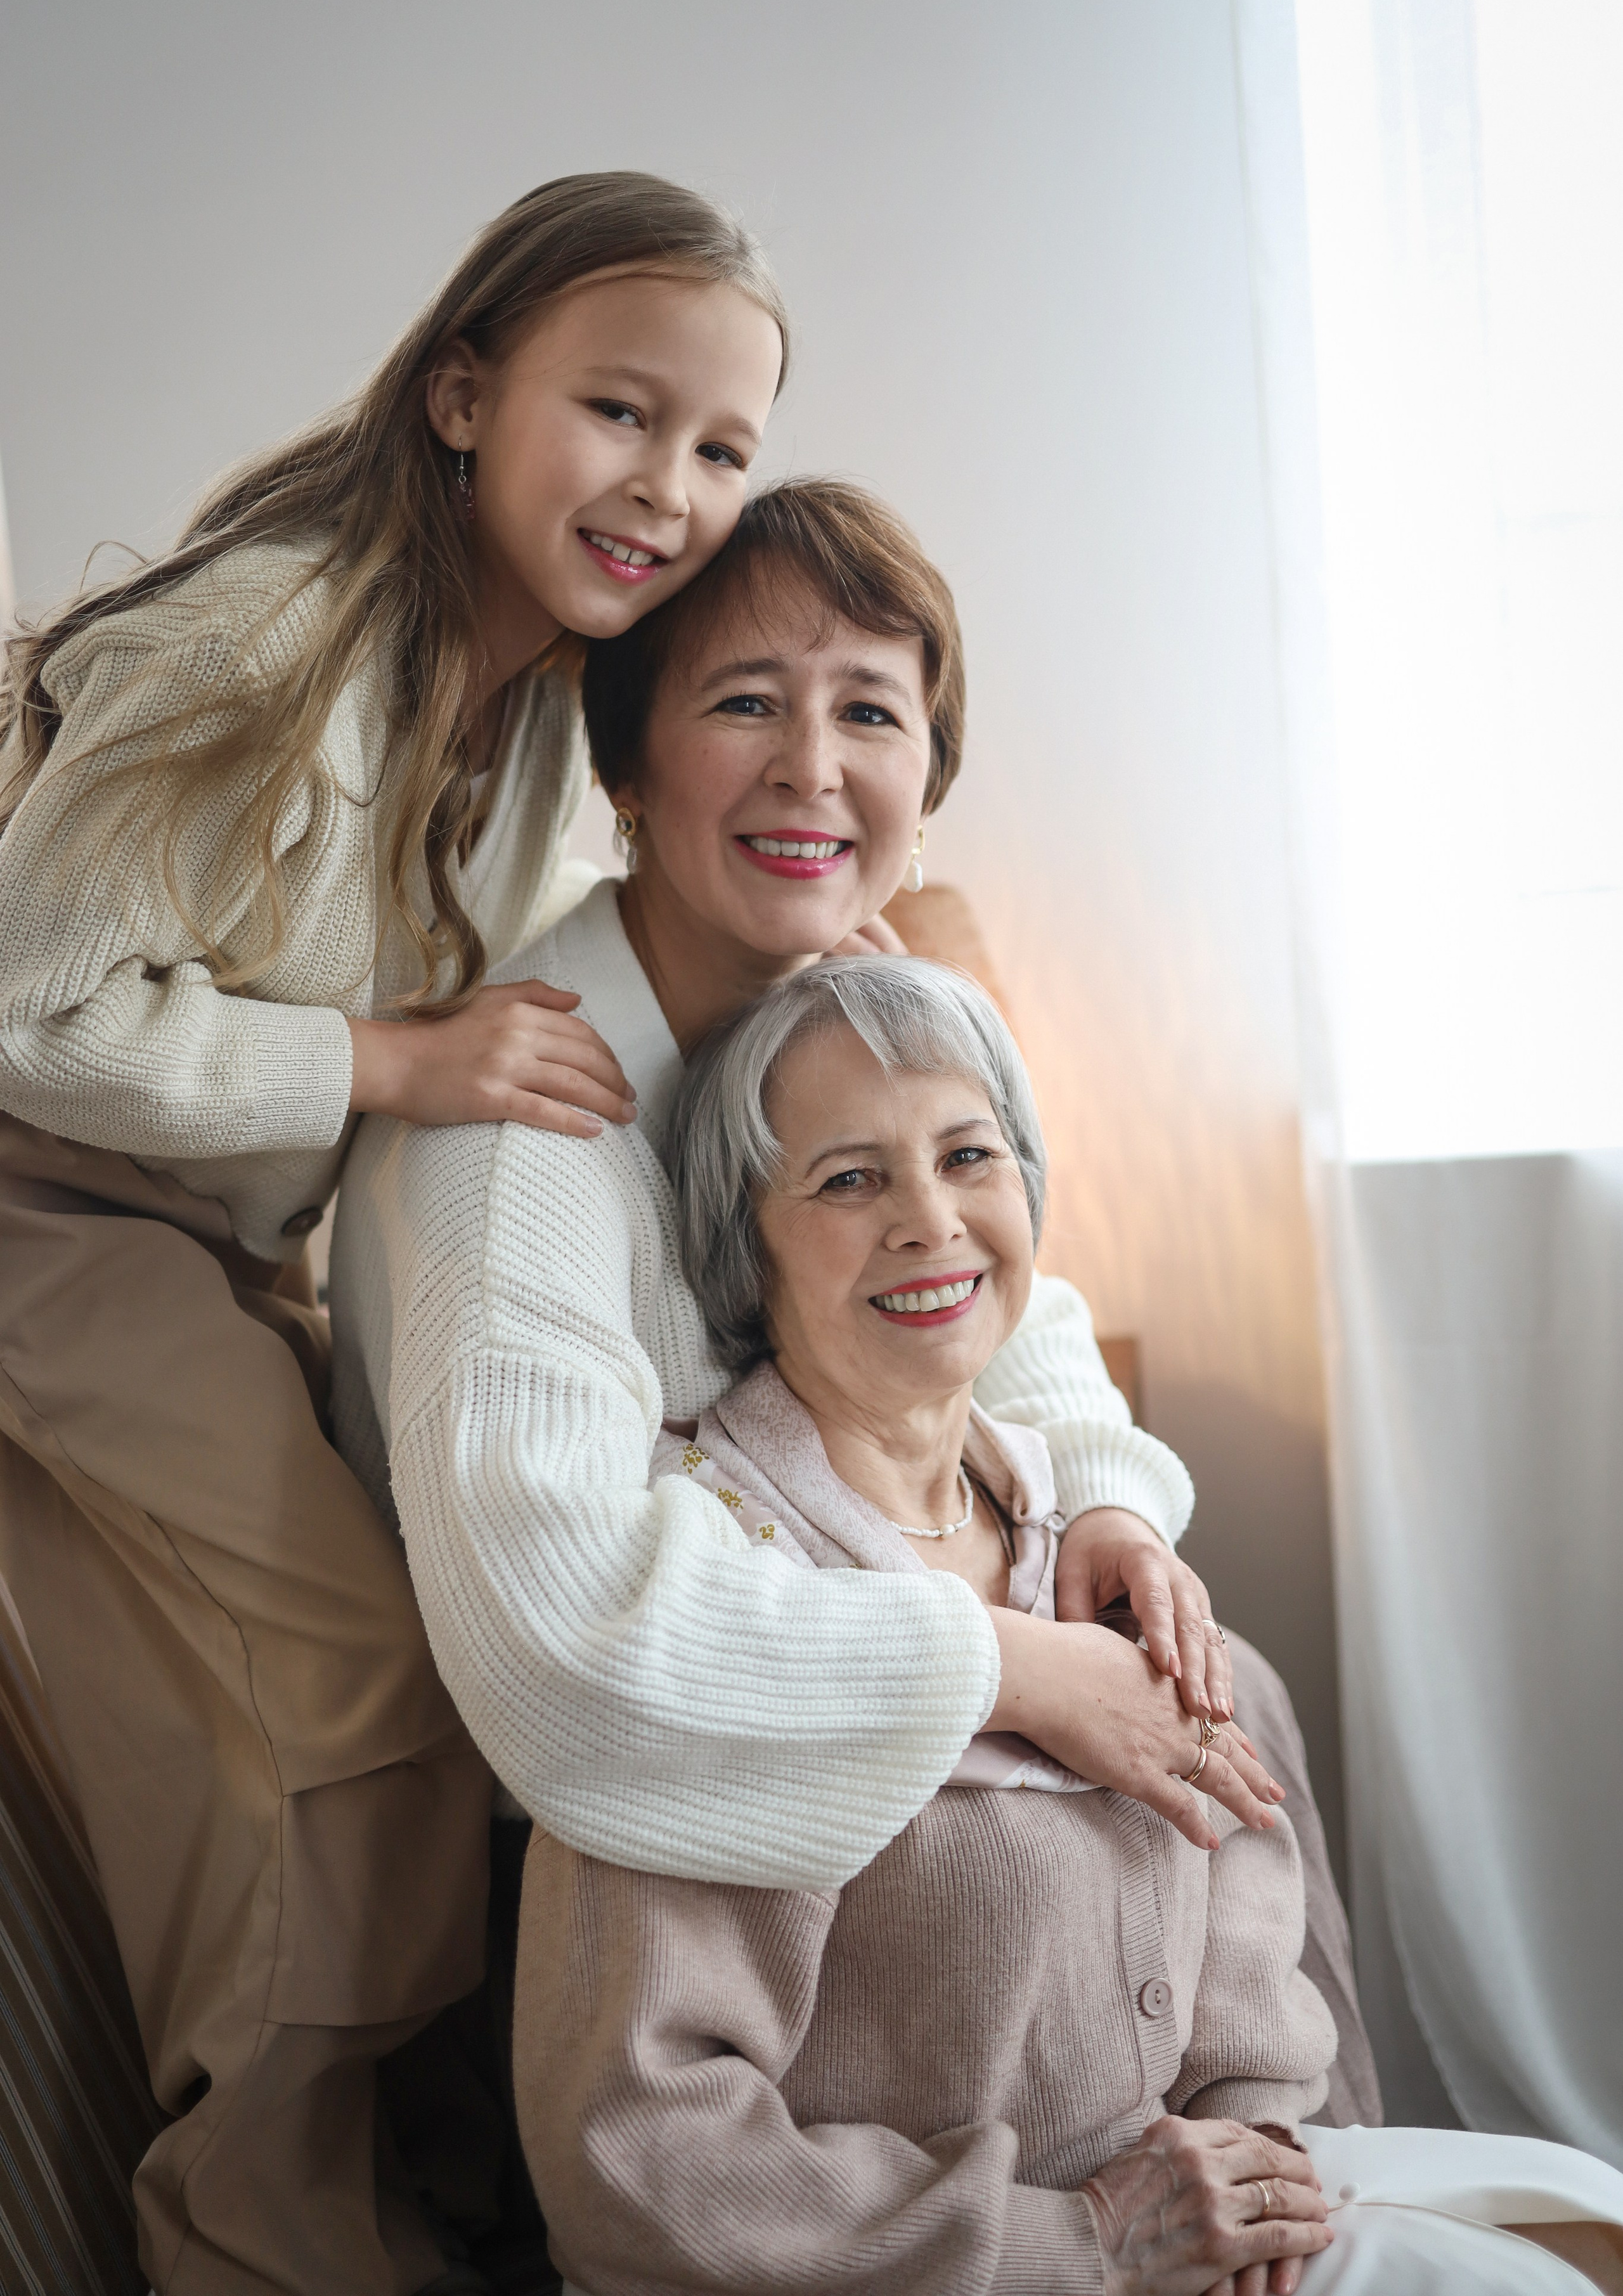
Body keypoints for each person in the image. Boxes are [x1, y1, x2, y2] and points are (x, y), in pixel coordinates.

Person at [0, 170, 788, 2296]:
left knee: (449, 1677)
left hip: (224, 1237)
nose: (672, 487)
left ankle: (414, 2179)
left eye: (723, 446)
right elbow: (30, 1007)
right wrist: (390, 1063)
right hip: (45, 1200)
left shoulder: (538, 708)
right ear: (463, 393)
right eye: (622, 413)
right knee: (351, 1699)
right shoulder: (259, 641)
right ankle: (252, 2233)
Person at [517, 954, 1623, 2296]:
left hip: (1218, 2240)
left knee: (1582, 2229)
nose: (930, 1220)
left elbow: (1244, 1902)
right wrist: (1088, 2240)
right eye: (847, 1178)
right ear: (742, 1240)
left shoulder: (1086, 1542)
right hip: (951, 2271)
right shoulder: (720, 1623)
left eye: (968, 1156)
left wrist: (1243, 2144)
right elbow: (637, 2168)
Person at [330, 476, 1294, 1907]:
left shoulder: (854, 1007)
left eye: (867, 712)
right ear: (624, 772)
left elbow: (994, 1294)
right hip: (630, 1852)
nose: (811, 770)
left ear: (930, 775)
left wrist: (1103, 1511)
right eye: (743, 704)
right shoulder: (516, 1128)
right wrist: (1012, 1664)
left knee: (1231, 1698)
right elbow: (563, 1642)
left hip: (870, 1655)